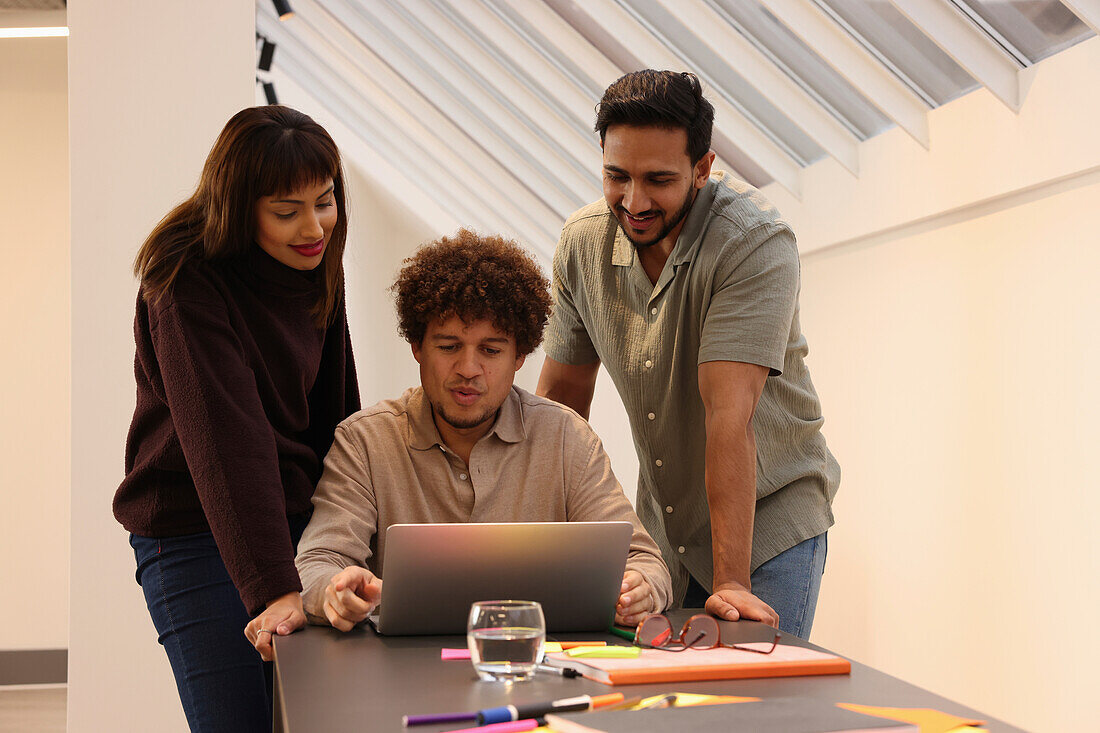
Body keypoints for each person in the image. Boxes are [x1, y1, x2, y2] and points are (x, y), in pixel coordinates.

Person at [251, 230, 672, 646]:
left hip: (535, 670)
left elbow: (645, 561)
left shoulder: (567, 438)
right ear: (417, 346)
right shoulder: (365, 441)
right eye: (449, 346)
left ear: (520, 356)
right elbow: (317, 561)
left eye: (491, 351)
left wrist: (641, 589)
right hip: (399, 678)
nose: (468, 369)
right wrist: (335, 591)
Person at [536, 70, 840, 640]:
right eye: (615, 176)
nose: (634, 201)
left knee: (747, 710)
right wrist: (543, 549)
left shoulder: (753, 243)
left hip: (767, 524)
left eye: (658, 179)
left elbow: (730, 417)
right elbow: (560, 402)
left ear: (702, 169)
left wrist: (731, 581)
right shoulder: (581, 243)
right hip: (664, 529)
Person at [113, 105, 360, 732]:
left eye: (325, 201)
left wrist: (356, 530)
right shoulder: (184, 278)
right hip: (192, 529)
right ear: (239, 205)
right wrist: (274, 590)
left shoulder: (316, 256)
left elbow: (337, 412)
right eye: (286, 211)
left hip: (291, 520)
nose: (313, 226)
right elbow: (228, 441)